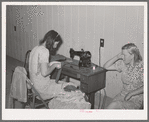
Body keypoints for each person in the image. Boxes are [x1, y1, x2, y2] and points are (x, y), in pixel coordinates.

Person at [29, 30, 71, 100]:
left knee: (62, 84)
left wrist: (50, 64)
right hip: (42, 90)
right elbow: (44, 73)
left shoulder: (36, 48)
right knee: (70, 87)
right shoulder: (45, 51)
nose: (56, 46)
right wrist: (54, 65)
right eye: (56, 44)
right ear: (52, 41)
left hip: (34, 87)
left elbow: (38, 68)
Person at [103, 43, 144, 109]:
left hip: (135, 99)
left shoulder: (142, 67)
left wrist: (131, 94)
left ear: (132, 55)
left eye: (124, 55)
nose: (122, 57)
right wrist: (117, 57)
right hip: (123, 95)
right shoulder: (123, 64)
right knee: (109, 108)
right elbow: (106, 67)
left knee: (113, 106)